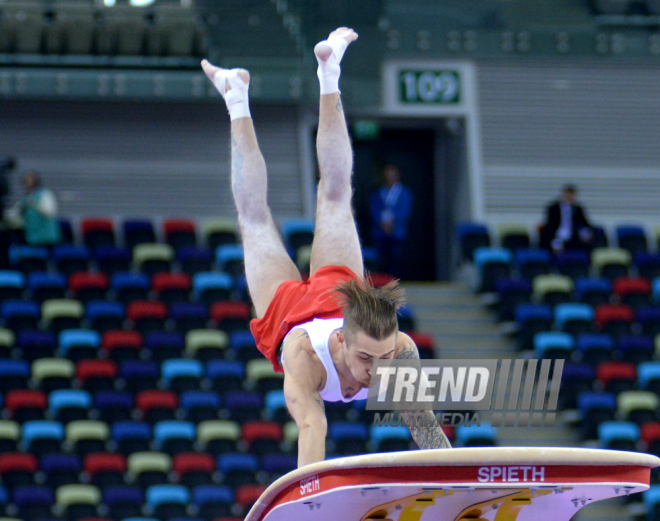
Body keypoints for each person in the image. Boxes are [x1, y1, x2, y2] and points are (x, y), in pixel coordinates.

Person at [201, 27, 451, 468]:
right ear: (340, 341)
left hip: (341, 295)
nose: (378, 371)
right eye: (367, 359)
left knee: (337, 191)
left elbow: (425, 428)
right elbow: (313, 435)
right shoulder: (305, 361)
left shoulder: (399, 355)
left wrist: (462, 485)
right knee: (253, 216)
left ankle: (329, 71)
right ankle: (235, 97)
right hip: (291, 318)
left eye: (386, 357)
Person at [369, 164, 412, 277]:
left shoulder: (403, 192)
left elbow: (405, 210)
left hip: (397, 230)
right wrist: (381, 223)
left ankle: (395, 281)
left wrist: (393, 222)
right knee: (382, 258)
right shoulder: (378, 192)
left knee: (396, 258)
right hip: (380, 230)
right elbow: (374, 209)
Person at [6, 171, 61, 247]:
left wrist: (34, 205)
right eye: (25, 181)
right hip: (32, 237)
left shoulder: (45, 194)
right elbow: (14, 213)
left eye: (29, 180)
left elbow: (49, 212)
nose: (26, 183)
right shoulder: (25, 198)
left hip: (47, 237)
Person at [540, 184, 592, 252]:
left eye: (571, 196)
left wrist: (585, 233)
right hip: (557, 236)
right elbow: (550, 225)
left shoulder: (578, 209)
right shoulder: (554, 208)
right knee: (554, 245)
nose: (569, 198)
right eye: (567, 195)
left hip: (573, 237)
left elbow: (584, 223)